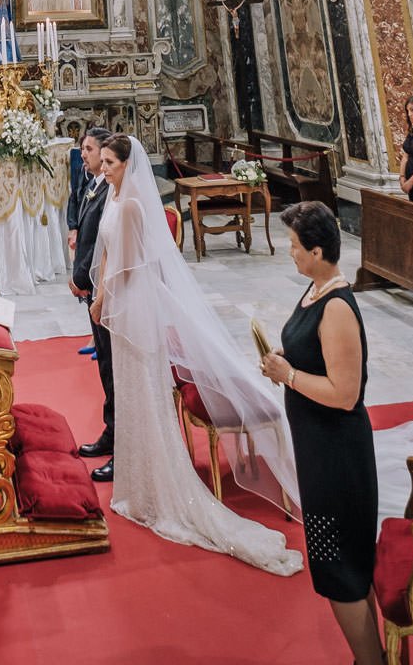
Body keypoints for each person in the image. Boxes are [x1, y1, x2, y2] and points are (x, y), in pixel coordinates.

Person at [90, 134, 301, 574]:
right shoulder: (114, 196)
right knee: (132, 396)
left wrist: (104, 297)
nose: (104, 168)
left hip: (134, 307)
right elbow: (108, 254)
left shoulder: (130, 206)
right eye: (104, 161)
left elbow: (130, 264)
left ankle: (160, 489)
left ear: (129, 164)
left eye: (110, 162)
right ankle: (137, 486)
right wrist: (99, 291)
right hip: (122, 303)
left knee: (143, 394)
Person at [262, 202, 383, 665]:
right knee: (342, 564)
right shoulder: (315, 291)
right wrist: (283, 360)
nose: (290, 252)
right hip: (317, 450)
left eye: (296, 246)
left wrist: (288, 375)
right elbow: (308, 352)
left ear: (317, 250)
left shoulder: (336, 307)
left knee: (339, 569)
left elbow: (345, 393)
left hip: (338, 455)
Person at [69, 128, 112, 467]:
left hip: (105, 292)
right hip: (93, 288)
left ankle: (120, 437)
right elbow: (85, 234)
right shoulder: (92, 184)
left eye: (88, 149)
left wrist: (81, 277)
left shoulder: (111, 193)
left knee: (112, 366)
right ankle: (112, 432)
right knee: (105, 363)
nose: (82, 155)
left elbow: (102, 243)